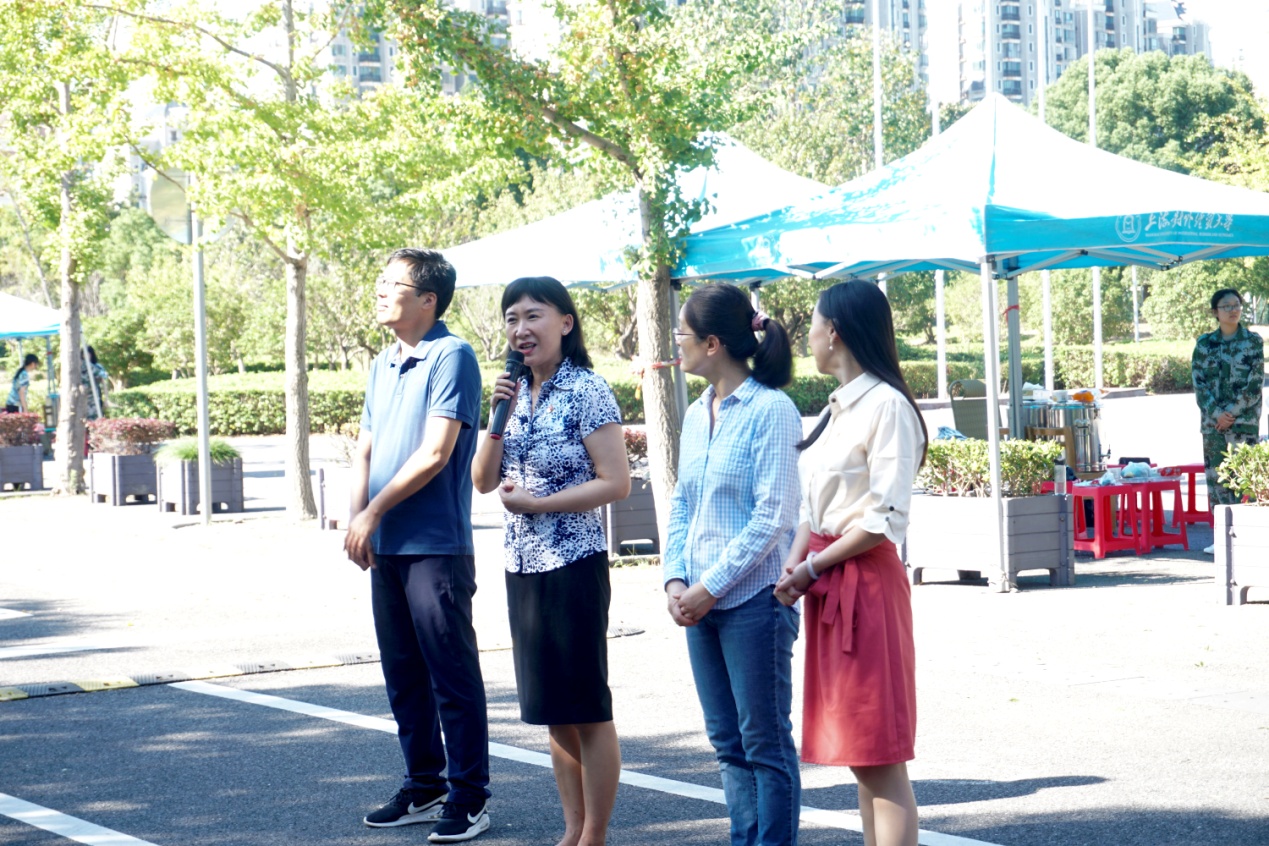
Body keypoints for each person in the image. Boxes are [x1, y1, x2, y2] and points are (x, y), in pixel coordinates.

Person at [471, 276, 630, 846]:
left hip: (573, 562)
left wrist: (539, 504)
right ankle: (572, 828)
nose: (521, 329)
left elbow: (616, 482)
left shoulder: (587, 390)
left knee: (586, 705)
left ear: (565, 322)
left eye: (533, 315)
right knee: (552, 709)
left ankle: (595, 834)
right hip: (522, 564)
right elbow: (482, 480)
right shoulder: (511, 393)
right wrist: (497, 415)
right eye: (512, 318)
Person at [344, 248, 491, 843]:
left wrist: (374, 511)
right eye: (379, 280)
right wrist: (357, 516)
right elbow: (365, 446)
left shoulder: (452, 355)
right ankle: (424, 785)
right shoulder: (383, 362)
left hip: (435, 544)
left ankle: (469, 797)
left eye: (394, 283)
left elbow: (435, 453)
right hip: (387, 543)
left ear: (428, 300)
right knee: (403, 673)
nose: (380, 290)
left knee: (450, 674)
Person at [774, 280, 928, 846]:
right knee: (863, 758)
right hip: (831, 580)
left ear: (834, 331)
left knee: (879, 756)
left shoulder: (886, 405)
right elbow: (814, 510)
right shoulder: (840, 406)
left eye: (814, 325)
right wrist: (798, 565)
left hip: (863, 584)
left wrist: (810, 569)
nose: (808, 337)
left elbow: (884, 518)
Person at [663, 283, 803, 846]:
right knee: (726, 745)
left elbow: (774, 517)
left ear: (713, 344)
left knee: (765, 746)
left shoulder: (772, 410)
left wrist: (709, 588)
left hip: (753, 604)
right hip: (699, 602)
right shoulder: (698, 413)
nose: (677, 343)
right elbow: (683, 503)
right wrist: (676, 579)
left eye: (683, 334)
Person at [1192, 288, 1265, 552]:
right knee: (1217, 481)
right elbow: (1199, 384)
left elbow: (1254, 384)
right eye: (1226, 306)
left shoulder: (1253, 342)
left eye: (1237, 305)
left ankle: (1246, 538)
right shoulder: (1204, 344)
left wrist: (1231, 413)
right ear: (1215, 312)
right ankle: (1221, 539)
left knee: (1243, 479)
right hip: (1213, 426)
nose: (1233, 310)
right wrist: (1217, 415)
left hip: (1243, 423)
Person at [80, 345, 109, 421]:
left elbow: (104, 382)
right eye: (84, 354)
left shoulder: (97, 367)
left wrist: (106, 399)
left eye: (88, 354)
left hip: (94, 399)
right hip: (82, 399)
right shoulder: (79, 368)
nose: (86, 356)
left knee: (96, 420)